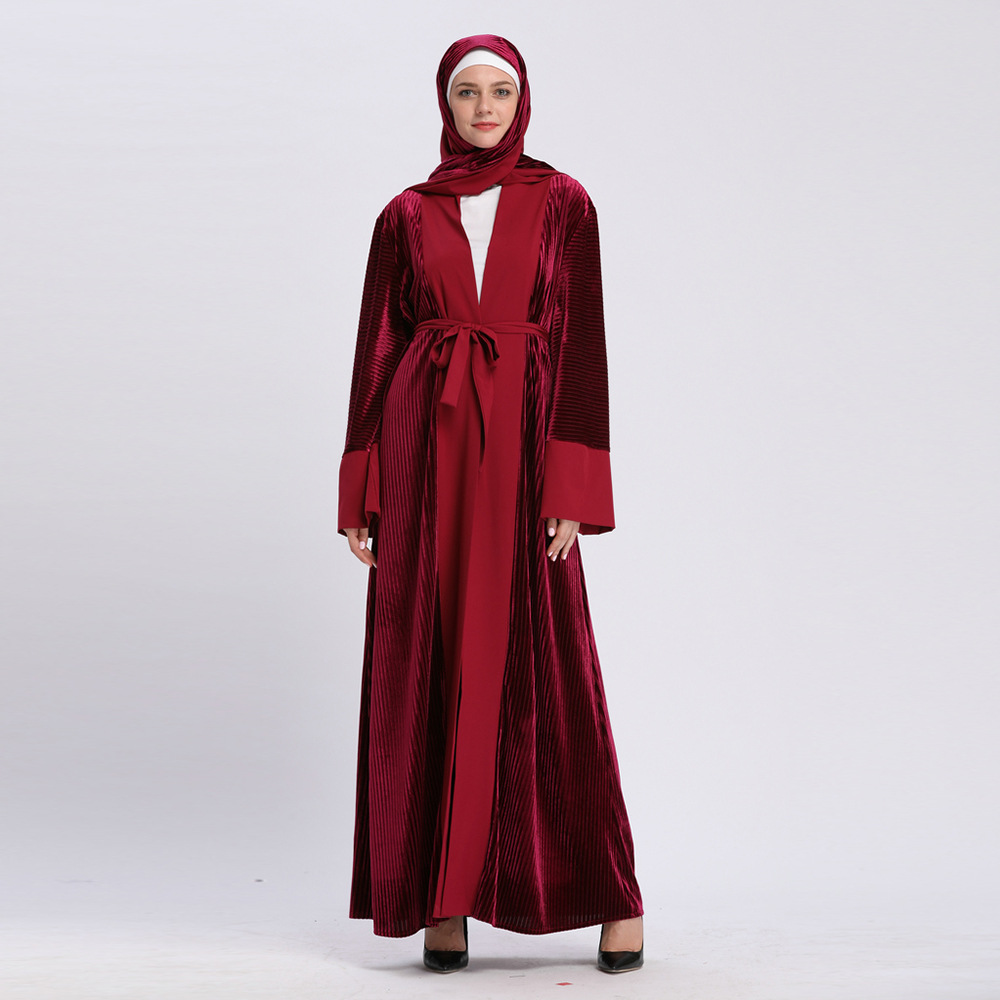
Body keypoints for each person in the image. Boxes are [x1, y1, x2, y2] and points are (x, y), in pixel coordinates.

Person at [338, 34, 644, 975]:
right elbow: (378, 349)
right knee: (427, 663)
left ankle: (612, 898)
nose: (483, 108)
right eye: (466, 92)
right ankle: (445, 899)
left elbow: (581, 347)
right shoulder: (405, 213)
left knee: (550, 668)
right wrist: (363, 490)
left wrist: (571, 486)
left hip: (522, 452)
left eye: (500, 91)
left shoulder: (565, 203)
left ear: (522, 101)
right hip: (424, 457)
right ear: (445, 103)